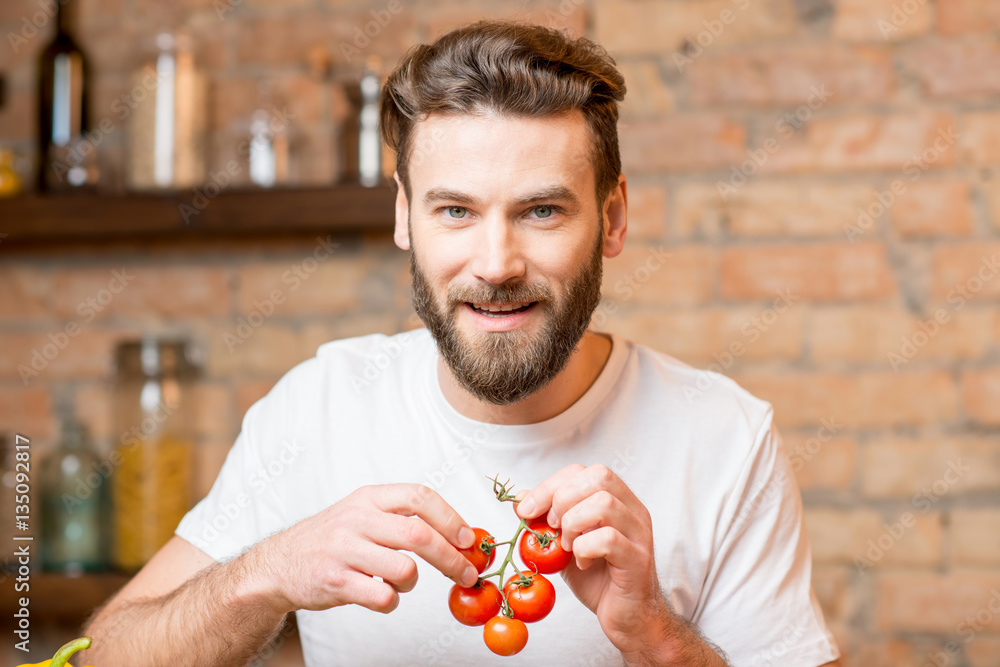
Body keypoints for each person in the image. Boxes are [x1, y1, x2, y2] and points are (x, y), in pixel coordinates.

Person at [81, 20, 842, 666]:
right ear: (405, 217)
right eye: (455, 211)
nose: (496, 263)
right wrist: (266, 572)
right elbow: (109, 652)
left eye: (542, 211)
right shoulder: (317, 405)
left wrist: (656, 636)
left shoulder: (726, 437)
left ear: (612, 218)